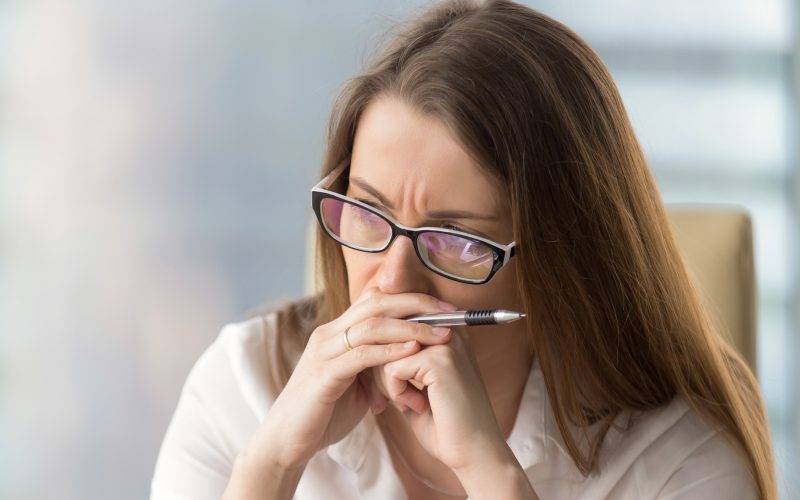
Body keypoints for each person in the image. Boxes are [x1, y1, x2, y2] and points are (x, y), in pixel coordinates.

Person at [150, 0, 777, 498]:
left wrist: (491, 473)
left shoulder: (676, 465)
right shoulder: (241, 389)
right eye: (369, 210)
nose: (392, 280)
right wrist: (273, 462)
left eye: (453, 240)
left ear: (559, 261)